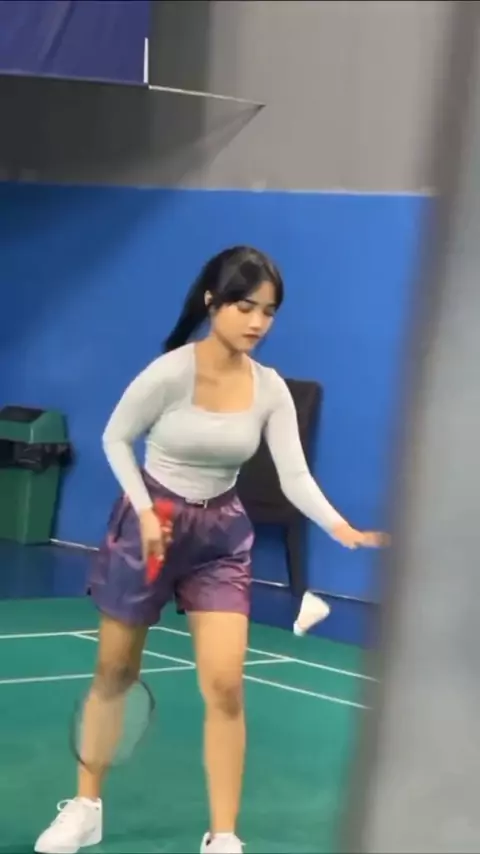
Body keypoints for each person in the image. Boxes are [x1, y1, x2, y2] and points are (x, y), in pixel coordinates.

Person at [34, 246, 386, 854]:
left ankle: (223, 835)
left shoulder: (269, 388)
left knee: (225, 684)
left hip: (220, 536)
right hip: (152, 524)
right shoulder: (171, 372)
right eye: (245, 306)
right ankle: (86, 807)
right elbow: (116, 438)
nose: (257, 322)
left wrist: (341, 527)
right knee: (115, 674)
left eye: (268, 311)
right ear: (211, 302)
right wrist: (145, 512)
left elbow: (295, 475)